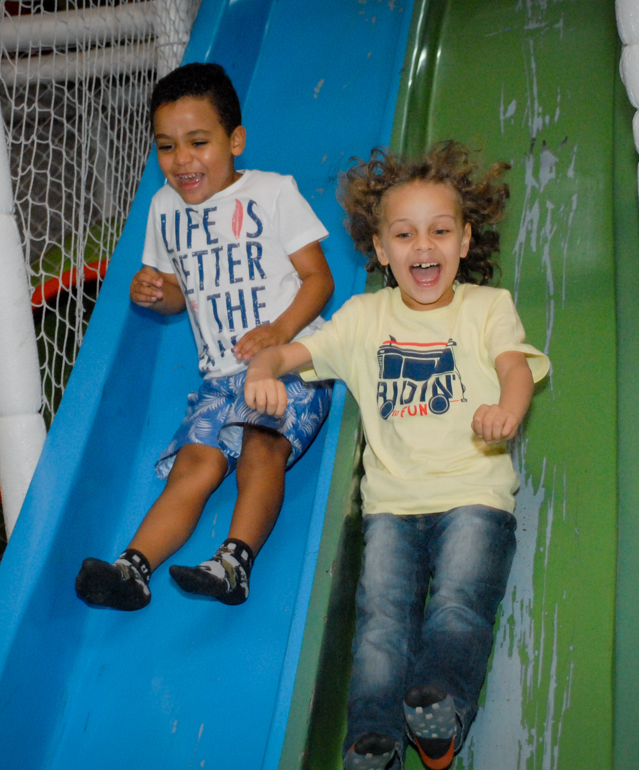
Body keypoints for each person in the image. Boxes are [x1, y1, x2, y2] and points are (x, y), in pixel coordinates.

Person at [243, 142, 549, 769]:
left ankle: (441, 706)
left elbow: (514, 369)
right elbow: (287, 355)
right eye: (405, 235)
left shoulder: (487, 307)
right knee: (380, 622)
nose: (424, 247)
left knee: (459, 601)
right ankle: (373, 737)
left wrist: (508, 412)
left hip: (473, 495)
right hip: (390, 506)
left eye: (440, 231)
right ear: (382, 251)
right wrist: (263, 368)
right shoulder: (362, 317)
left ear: (464, 241)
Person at [74, 62, 334, 611]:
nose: (182, 160)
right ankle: (133, 568)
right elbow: (178, 293)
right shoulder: (164, 208)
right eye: (166, 147)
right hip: (219, 380)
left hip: (290, 362)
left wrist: (278, 333)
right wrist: (154, 292)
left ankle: (234, 562)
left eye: (198, 141)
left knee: (262, 444)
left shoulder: (272, 193)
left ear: (234, 139)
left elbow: (319, 279)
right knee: (197, 463)